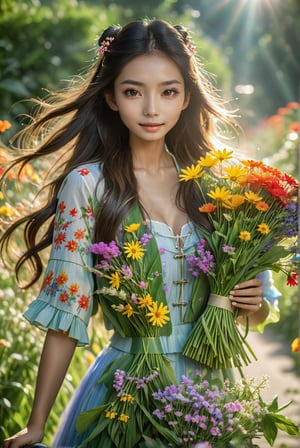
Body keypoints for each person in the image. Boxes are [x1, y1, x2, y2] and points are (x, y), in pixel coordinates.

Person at [1, 19, 276, 448]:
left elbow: (256, 314)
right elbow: (67, 316)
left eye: (168, 91)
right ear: (110, 97)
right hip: (127, 390)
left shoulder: (219, 184)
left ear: (186, 96)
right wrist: (36, 424)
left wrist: (250, 303)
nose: (152, 109)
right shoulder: (88, 185)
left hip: (212, 392)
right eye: (133, 91)